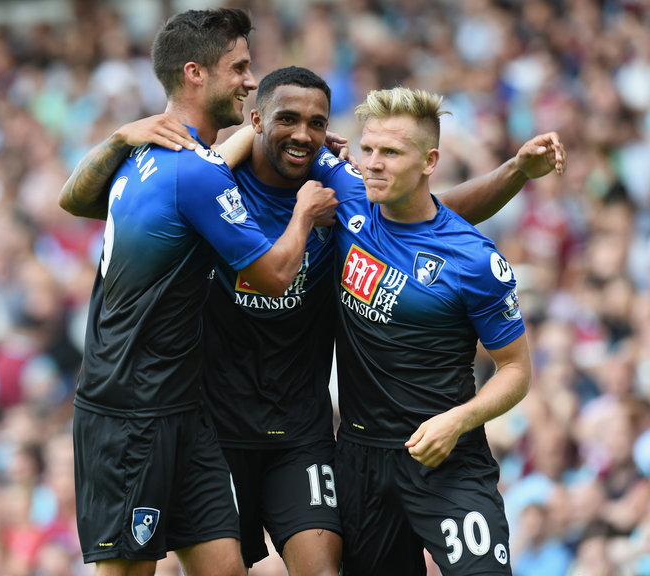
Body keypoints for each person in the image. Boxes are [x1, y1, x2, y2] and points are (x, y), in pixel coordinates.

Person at [62, 63, 566, 575]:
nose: (303, 134)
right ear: (257, 119)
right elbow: (81, 201)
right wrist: (171, 147)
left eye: (317, 124)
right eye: (368, 150)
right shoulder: (231, 186)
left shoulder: (372, 207)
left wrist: (515, 171)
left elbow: (433, 217)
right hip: (247, 432)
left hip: (347, 440)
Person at [61, 10, 338, 576]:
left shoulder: (146, 154)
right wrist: (306, 213)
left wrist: (119, 136)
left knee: (224, 568)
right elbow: (275, 273)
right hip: (129, 410)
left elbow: (74, 200)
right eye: (237, 67)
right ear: (195, 73)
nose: (246, 79)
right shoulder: (194, 171)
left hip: (186, 409)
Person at [306, 86, 538, 575]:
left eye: (391, 152)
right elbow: (270, 132)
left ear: (429, 160)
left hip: (447, 458)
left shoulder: (475, 259)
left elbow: (516, 370)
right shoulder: (349, 193)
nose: (373, 163)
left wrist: (458, 420)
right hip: (361, 459)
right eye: (368, 149)